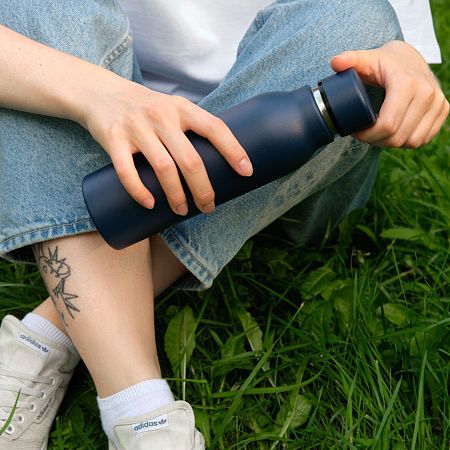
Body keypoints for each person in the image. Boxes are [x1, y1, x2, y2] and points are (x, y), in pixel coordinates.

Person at [0, 0, 447, 449]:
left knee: (358, 18)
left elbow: (387, 39)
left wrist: (405, 62)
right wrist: (100, 95)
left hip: (295, 174)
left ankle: (49, 334)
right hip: (105, 134)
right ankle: (144, 420)